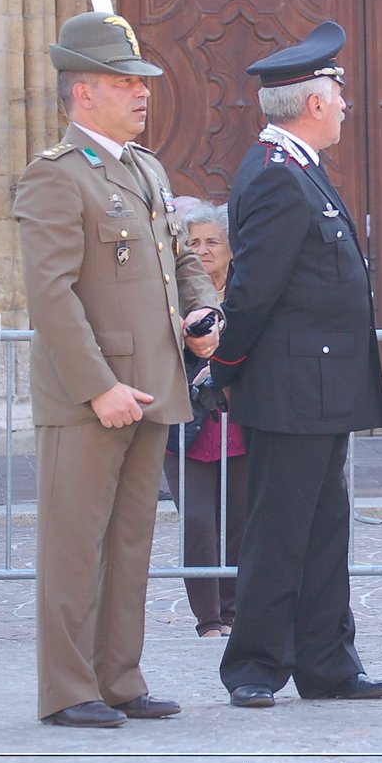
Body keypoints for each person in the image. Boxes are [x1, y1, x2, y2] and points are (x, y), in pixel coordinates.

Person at [15, 9, 221, 727]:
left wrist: (204, 314)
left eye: (142, 81)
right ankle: (68, 690)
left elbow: (182, 260)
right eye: (123, 81)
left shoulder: (147, 168)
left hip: (154, 387)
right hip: (89, 396)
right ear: (82, 94)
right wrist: (98, 385)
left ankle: (120, 678)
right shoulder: (56, 178)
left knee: (130, 543)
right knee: (74, 549)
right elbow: (52, 295)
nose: (142, 93)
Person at [210, 20, 382, 709]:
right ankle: (255, 666)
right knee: (280, 533)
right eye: (340, 96)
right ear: (315, 103)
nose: (348, 106)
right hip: (289, 389)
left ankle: (327, 664)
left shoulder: (298, 169)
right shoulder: (273, 177)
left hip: (318, 388)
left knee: (323, 533)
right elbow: (251, 294)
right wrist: (224, 368)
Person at [164, 202, 247, 635]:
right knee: (197, 520)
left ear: (231, 248)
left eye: (212, 241)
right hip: (187, 421)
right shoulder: (173, 293)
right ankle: (208, 618)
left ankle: (233, 612)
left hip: (237, 419)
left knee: (238, 520)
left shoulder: (245, 288)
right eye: (193, 242)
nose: (202, 250)